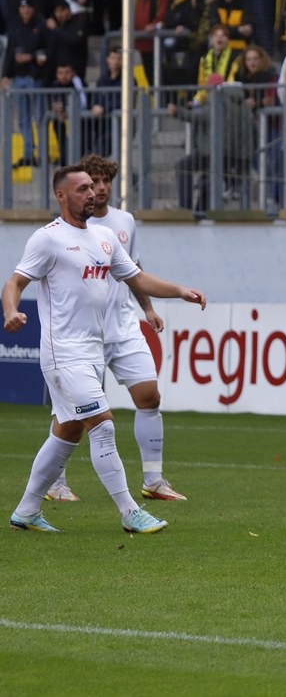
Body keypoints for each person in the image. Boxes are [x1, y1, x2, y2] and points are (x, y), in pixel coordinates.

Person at [5, 164, 206, 534]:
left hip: (93, 352)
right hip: (64, 354)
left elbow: (137, 277)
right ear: (61, 195)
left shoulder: (104, 237)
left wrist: (179, 290)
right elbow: (15, 282)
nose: (91, 193)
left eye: (91, 187)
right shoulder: (47, 239)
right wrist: (11, 311)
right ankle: (130, 512)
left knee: (67, 433)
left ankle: (27, 510)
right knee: (103, 425)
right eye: (82, 188)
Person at [44, 155, 189, 502]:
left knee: (149, 396)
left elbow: (133, 270)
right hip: (82, 336)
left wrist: (148, 309)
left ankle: (153, 480)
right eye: (92, 182)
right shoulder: (61, 231)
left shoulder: (124, 222)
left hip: (123, 326)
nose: (100, 188)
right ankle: (56, 483)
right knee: (70, 416)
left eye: (106, 181)